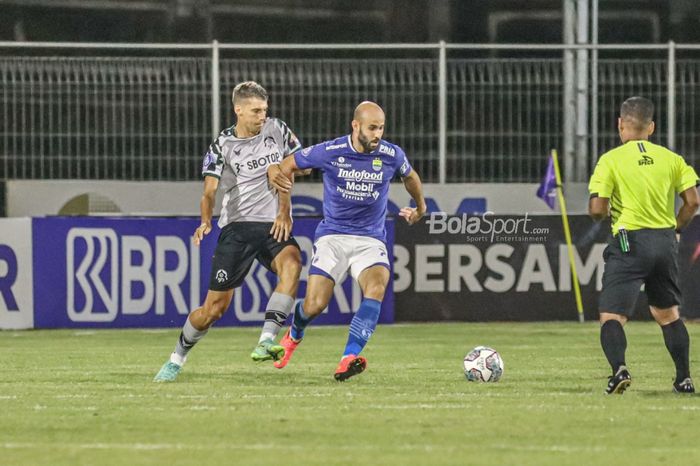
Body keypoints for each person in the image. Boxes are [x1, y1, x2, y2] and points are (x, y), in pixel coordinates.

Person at [154, 81, 304, 382]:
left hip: (272, 224)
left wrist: (281, 169)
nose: (262, 116)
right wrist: (206, 221)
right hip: (237, 228)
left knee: (292, 264)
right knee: (213, 310)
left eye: (265, 110)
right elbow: (209, 191)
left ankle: (266, 340)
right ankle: (176, 357)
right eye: (256, 111)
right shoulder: (222, 146)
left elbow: (302, 164)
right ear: (238, 110)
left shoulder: (278, 129)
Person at [267, 101, 427, 381]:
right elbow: (287, 165)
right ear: (355, 126)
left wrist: (420, 208)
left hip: (370, 239)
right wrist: (283, 210)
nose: (378, 134)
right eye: (372, 128)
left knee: (376, 287)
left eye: (381, 128)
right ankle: (295, 333)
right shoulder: (330, 151)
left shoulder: (391, 154)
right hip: (333, 237)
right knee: (315, 304)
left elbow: (410, 176)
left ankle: (348, 357)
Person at [588, 96, 700, 394]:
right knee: (668, 314)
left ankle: (619, 370)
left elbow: (598, 209)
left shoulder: (610, 160)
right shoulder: (672, 159)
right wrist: (676, 227)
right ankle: (684, 378)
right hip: (665, 241)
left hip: (628, 241)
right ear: (650, 127)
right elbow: (693, 202)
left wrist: (603, 211)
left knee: (612, 315)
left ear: (620, 125)